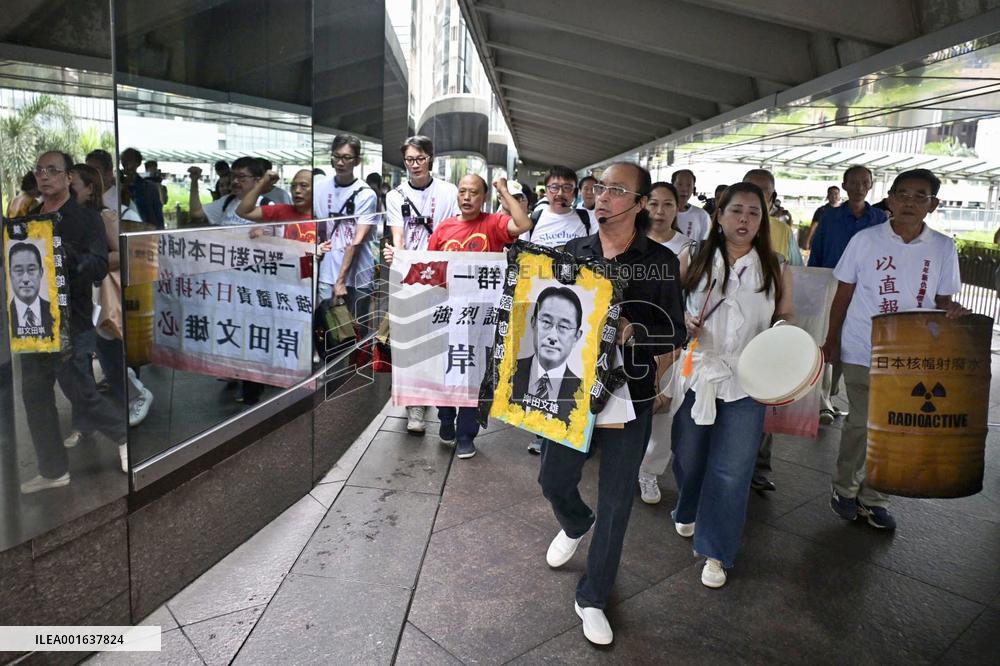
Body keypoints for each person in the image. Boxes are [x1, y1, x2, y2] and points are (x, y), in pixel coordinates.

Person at [540, 162, 684, 645]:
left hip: (630, 395)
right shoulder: (571, 252)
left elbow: (674, 334)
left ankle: (594, 596)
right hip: (571, 390)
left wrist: (635, 337)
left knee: (618, 500)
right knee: (553, 478)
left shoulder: (660, 262)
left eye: (616, 190)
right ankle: (575, 520)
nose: (602, 196)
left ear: (640, 204)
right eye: (599, 187)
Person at [823, 169, 967, 531]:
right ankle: (845, 487)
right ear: (889, 199)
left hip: (910, 354)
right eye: (903, 194)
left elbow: (942, 299)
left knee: (893, 427)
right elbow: (843, 295)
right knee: (862, 420)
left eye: (920, 196)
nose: (909, 202)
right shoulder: (865, 239)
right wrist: (832, 340)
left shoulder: (943, 247)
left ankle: (875, 497)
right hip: (861, 345)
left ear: (933, 205)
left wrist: (951, 311)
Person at [669, 181, 794, 589]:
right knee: (688, 456)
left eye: (754, 213)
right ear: (719, 216)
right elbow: (673, 304)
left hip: (748, 380)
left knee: (731, 470)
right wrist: (683, 321)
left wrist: (780, 331)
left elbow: (786, 314)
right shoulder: (695, 256)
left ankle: (716, 552)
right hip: (698, 373)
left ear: (764, 220)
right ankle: (687, 506)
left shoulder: (775, 265)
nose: (744, 220)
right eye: (736, 211)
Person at [386, 175, 532, 459]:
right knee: (447, 371)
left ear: (484, 197)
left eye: (474, 193)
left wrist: (504, 190)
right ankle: (445, 419)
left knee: (472, 376)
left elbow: (524, 224)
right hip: (448, 313)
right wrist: (400, 261)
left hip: (479, 319)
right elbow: (428, 270)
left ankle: (467, 434)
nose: (467, 197)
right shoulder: (444, 228)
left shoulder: (494, 224)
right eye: (462, 191)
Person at [18, 151, 127, 494]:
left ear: (68, 178)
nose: (45, 175)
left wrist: (66, 258)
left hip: (72, 320)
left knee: (78, 389)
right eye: (40, 170)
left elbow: (98, 266)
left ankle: (122, 433)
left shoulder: (85, 218)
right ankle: (53, 470)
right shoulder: (29, 218)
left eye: (53, 170)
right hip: (32, 321)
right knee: (34, 393)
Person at [68, 164, 153, 428]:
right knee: (93, 356)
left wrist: (89, 261)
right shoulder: (69, 216)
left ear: (89, 188)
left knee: (109, 354)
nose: (69, 192)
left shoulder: (103, 216)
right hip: (82, 295)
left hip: (100, 294)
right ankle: (89, 419)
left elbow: (124, 253)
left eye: (73, 186)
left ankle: (136, 394)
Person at [386, 135, 459, 434]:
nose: (414, 165)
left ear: (431, 158)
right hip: (411, 277)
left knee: (439, 342)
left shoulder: (449, 192)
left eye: (420, 159)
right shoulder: (396, 195)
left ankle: (437, 399)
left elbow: (456, 231)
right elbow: (398, 237)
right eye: (409, 160)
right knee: (412, 343)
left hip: (443, 275)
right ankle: (415, 406)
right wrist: (396, 256)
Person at [809, 165, 888, 426]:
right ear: (844, 186)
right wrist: (814, 286)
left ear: (870, 185)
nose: (858, 187)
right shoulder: (830, 217)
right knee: (827, 339)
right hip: (832, 285)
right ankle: (822, 402)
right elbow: (818, 252)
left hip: (865, 291)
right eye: (852, 182)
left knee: (853, 342)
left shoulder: (879, 219)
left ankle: (834, 395)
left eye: (864, 182)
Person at [741, 169, 803, 492]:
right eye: (749, 189)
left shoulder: (782, 232)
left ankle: (759, 469)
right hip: (724, 340)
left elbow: (796, 276)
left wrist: (783, 322)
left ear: (772, 198)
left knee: (763, 404)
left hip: (764, 337)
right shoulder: (722, 224)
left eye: (762, 192)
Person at [636, 181, 694, 504]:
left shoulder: (688, 248)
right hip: (630, 339)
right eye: (653, 204)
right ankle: (625, 462)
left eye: (667, 205)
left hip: (668, 341)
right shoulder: (629, 241)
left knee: (663, 409)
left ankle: (650, 471)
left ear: (678, 207)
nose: (659, 212)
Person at [313, 135, 378, 341]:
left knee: (357, 330)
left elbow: (356, 242)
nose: (340, 162)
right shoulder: (320, 187)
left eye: (347, 158)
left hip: (358, 275)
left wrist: (341, 281)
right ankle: (330, 370)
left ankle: (353, 371)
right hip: (327, 270)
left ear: (357, 161)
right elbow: (317, 224)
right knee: (327, 328)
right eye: (337, 157)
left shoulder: (366, 195)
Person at [512, 286, 584, 422]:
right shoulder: (508, 374)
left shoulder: (582, 393)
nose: (553, 336)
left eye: (563, 326)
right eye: (546, 322)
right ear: (533, 323)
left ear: (576, 336)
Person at [237, 169, 317, 242]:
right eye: (293, 186)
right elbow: (243, 212)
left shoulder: (321, 215)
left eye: (303, 185)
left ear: (316, 188)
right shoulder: (281, 210)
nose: (297, 190)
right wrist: (262, 184)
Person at [525, 166, 592, 250]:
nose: (560, 193)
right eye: (554, 187)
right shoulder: (531, 220)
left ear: (575, 192)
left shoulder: (588, 219)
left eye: (567, 188)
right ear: (546, 190)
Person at [188, 156, 264, 227]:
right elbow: (196, 213)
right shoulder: (227, 201)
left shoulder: (265, 204)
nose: (235, 181)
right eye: (233, 176)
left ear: (257, 180)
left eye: (241, 177)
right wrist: (194, 181)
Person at [8, 243, 54, 339]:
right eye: (19, 271)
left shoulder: (55, 311)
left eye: (31, 269)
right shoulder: (5, 314)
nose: (25, 279)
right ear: (10, 274)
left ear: (41, 272)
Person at [86, 149, 142, 223]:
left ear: (109, 172)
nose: (90, 175)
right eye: (87, 170)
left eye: (95, 171)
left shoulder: (122, 200)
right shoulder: (84, 199)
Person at [120, 148, 164, 228]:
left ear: (138, 163)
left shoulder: (149, 187)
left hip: (145, 231)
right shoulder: (117, 185)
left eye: (130, 160)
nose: (127, 163)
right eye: (124, 160)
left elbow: (158, 216)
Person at [672, 169, 711, 241]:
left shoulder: (702, 215)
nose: (684, 189)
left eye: (689, 185)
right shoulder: (662, 213)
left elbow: (705, 246)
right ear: (672, 186)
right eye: (680, 184)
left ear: (693, 189)